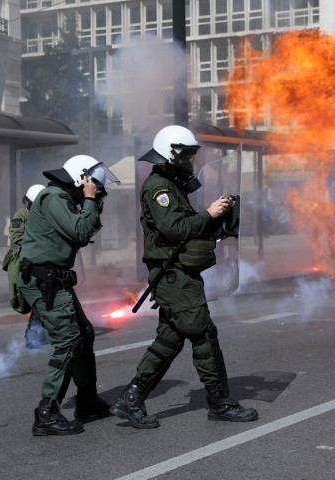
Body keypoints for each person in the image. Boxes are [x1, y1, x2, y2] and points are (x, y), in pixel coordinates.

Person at [110, 125, 258, 428]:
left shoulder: (171, 184)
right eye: (187, 156)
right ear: (171, 155)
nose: (191, 162)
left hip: (179, 273)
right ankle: (220, 402)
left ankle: (131, 399)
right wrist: (209, 214)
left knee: (170, 339)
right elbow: (174, 229)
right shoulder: (159, 188)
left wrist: (217, 220)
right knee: (204, 334)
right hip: (173, 275)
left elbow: (184, 224)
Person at [18, 155, 120, 436]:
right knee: (68, 343)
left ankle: (86, 400)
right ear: (81, 179)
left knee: (84, 334)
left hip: (54, 278)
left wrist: (92, 205)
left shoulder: (63, 199)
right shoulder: (53, 197)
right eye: (93, 184)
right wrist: (89, 201)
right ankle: (47, 413)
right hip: (43, 280)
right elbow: (79, 231)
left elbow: (83, 233)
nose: (96, 189)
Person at [9, 184, 50, 349]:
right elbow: (16, 236)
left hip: (44, 260)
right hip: (28, 262)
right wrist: (35, 242)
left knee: (44, 299)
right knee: (37, 300)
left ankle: (38, 333)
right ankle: (32, 335)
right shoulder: (21, 215)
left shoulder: (44, 213)